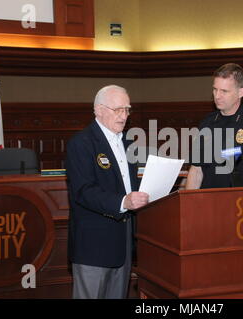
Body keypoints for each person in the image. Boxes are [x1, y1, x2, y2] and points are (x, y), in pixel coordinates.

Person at [65, 85, 149, 299]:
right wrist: (123, 202)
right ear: (99, 110)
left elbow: (128, 187)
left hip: (123, 245)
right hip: (93, 246)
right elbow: (83, 192)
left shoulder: (128, 142)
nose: (124, 116)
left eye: (127, 110)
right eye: (118, 110)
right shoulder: (81, 143)